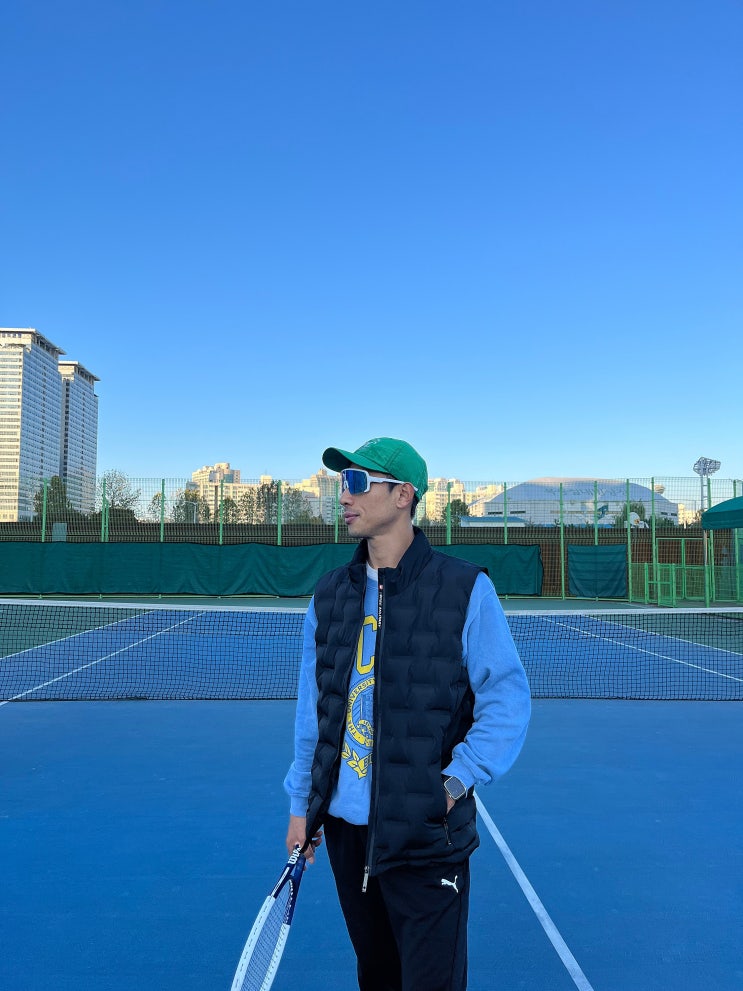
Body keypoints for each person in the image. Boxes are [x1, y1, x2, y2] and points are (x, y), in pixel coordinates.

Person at [284, 437, 531, 991]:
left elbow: (507, 698)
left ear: (403, 495)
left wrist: (452, 783)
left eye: (357, 482)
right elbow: (313, 713)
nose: (343, 496)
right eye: (340, 482)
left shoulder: (465, 588)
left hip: (426, 833)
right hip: (346, 833)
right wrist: (303, 805)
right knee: (377, 978)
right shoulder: (329, 595)